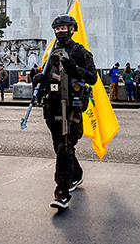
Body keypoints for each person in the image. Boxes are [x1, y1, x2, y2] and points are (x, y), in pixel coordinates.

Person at [33, 14, 97, 209]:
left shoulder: (80, 52)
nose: (60, 32)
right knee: (59, 146)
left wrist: (74, 67)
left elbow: (93, 78)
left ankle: (62, 191)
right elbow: (46, 76)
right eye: (57, 29)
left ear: (72, 29)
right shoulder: (52, 52)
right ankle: (75, 175)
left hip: (71, 107)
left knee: (65, 145)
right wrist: (39, 80)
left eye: (64, 28)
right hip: (52, 107)